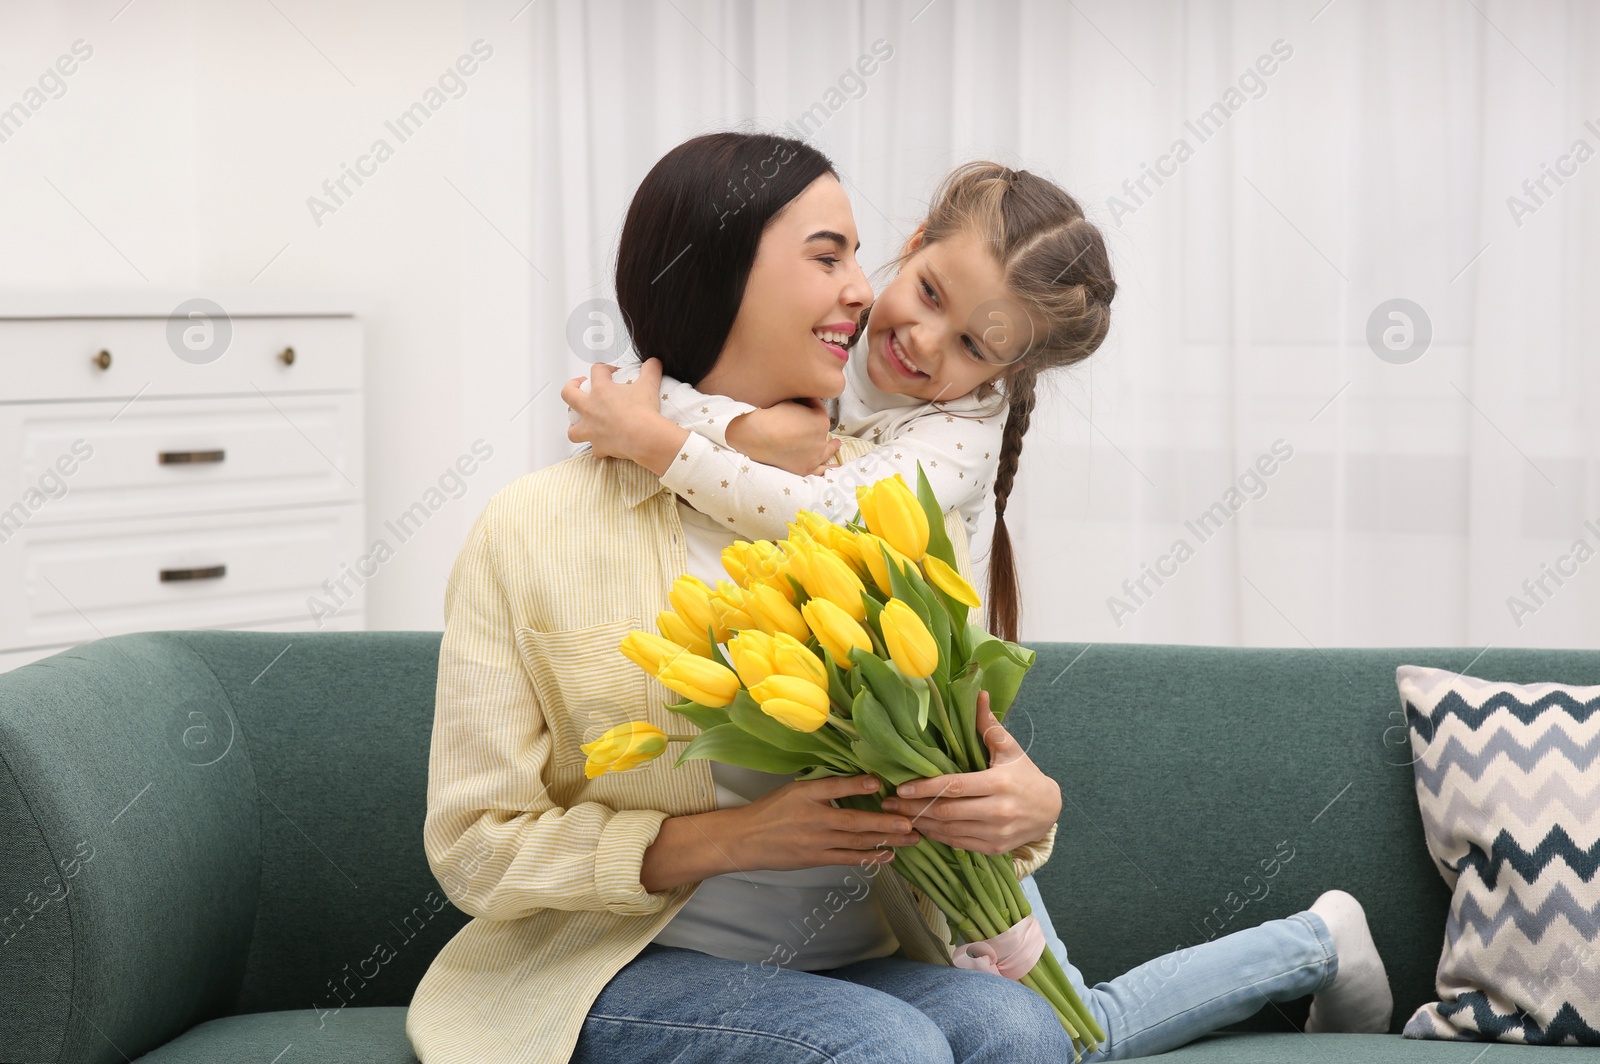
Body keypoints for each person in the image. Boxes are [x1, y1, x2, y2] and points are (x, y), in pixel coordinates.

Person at [559, 149, 1396, 1059]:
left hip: (940, 775)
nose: (924, 342)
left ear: (1008, 370)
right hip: (906, 774)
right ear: (912, 243)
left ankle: (1314, 945)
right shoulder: (836, 366)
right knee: (1058, 1029)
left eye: (973, 347)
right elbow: (690, 389)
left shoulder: (961, 431)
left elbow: (825, 509)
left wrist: (669, 444)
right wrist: (736, 424)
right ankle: (1314, 945)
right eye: (926, 293)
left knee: (1079, 1031)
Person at [407, 131, 1073, 1064]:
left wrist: (1023, 807)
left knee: (1018, 1028)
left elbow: (945, 748)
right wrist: (729, 839)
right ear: (721, 270)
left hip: (867, 961)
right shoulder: (537, 527)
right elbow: (475, 846)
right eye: (827, 255)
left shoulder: (884, 503)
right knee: (880, 1049)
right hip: (627, 968)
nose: (861, 287)